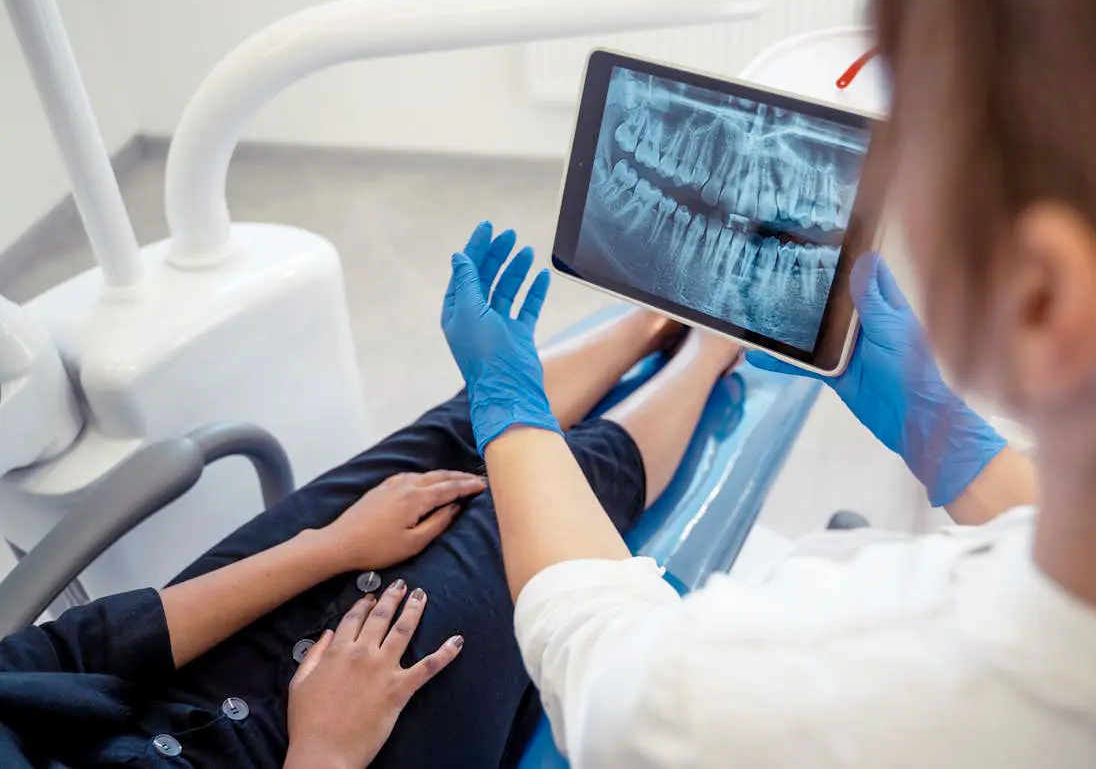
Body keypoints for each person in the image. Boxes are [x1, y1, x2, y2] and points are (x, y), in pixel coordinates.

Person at [438, 0, 1096, 766]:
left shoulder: (792, 691)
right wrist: (948, 436)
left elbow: (599, 660)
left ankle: (690, 346)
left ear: (1045, 297)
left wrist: (509, 406)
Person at [0, 238, 744, 769]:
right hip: (330, 751)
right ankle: (715, 344)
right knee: (542, 503)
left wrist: (332, 544)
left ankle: (656, 320)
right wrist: (324, 745)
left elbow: (68, 653)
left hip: (162, 687)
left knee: (447, 444)